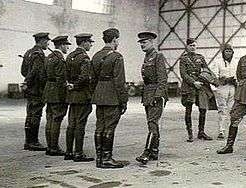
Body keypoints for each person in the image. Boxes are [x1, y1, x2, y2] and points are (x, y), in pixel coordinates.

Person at [91, 28, 128, 168]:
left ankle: (99, 158)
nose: (117, 42)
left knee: (99, 126)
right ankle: (107, 158)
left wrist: (96, 94)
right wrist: (123, 100)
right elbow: (119, 82)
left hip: (99, 96)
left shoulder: (95, 56)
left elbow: (92, 79)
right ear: (114, 40)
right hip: (112, 96)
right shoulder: (117, 57)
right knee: (110, 127)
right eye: (117, 39)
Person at [135, 32, 168, 165]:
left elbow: (162, 78)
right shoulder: (147, 56)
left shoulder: (158, 56)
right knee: (152, 122)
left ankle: (147, 152)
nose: (142, 45)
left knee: (152, 122)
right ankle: (154, 150)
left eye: (145, 42)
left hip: (155, 94)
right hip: (148, 93)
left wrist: (158, 95)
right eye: (141, 43)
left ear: (152, 42)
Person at [179, 38, 218, 142]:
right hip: (189, 87)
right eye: (191, 45)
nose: (193, 47)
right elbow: (183, 74)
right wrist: (193, 82)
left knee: (203, 109)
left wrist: (212, 80)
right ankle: (190, 133)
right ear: (187, 47)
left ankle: (201, 132)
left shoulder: (200, 57)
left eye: (194, 45)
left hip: (201, 86)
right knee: (188, 111)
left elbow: (206, 69)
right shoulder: (183, 58)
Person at [64, 33, 94, 162]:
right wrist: (76, 85)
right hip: (82, 95)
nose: (91, 45)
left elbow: (65, 74)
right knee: (80, 124)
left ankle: (69, 152)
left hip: (72, 95)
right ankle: (78, 153)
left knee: (71, 124)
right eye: (89, 42)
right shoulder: (84, 58)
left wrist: (70, 85)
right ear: (84, 43)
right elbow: (85, 77)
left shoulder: (70, 56)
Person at [21, 32, 50, 151]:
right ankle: (33, 142)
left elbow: (23, 71)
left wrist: (26, 81)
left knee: (30, 114)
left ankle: (28, 141)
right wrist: (43, 84)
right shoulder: (39, 54)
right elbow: (37, 72)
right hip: (37, 89)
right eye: (47, 41)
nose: (48, 44)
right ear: (42, 41)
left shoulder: (28, 52)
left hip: (30, 89)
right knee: (36, 115)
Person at [43, 36, 71, 156]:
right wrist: (65, 94)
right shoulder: (59, 58)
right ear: (62, 45)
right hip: (57, 92)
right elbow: (61, 78)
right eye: (67, 45)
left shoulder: (49, 57)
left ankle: (50, 146)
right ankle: (54, 147)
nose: (68, 48)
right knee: (56, 119)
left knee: (50, 118)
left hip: (48, 89)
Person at [214, 44, 237, 139]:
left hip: (233, 88)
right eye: (226, 51)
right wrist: (222, 80)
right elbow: (215, 76)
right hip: (222, 88)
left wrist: (235, 80)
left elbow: (238, 74)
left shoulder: (235, 63)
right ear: (223, 52)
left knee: (232, 110)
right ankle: (221, 131)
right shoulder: (218, 62)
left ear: (232, 52)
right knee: (222, 109)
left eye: (230, 51)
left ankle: (231, 130)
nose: (228, 53)